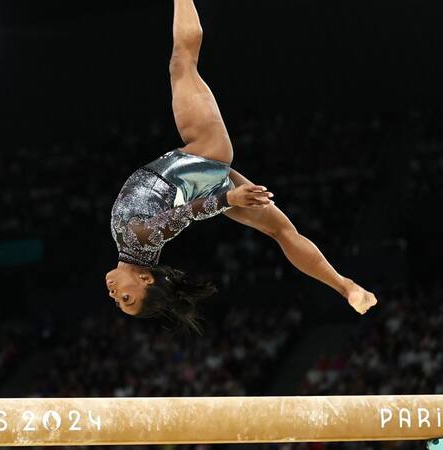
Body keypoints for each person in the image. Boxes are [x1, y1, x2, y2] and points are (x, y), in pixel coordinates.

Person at [106, 0, 377, 332]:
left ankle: (346, 286)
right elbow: (184, 214)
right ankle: (345, 286)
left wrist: (223, 200)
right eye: (127, 299)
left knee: (281, 231)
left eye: (118, 302)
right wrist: (228, 201)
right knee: (182, 64)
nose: (116, 296)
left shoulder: (135, 248)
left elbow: (181, 212)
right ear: (145, 279)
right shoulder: (140, 240)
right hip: (203, 155)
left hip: (203, 177)